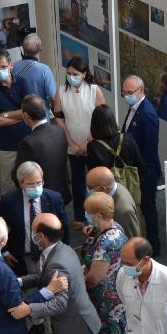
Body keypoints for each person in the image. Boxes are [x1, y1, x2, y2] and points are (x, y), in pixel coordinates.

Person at [80, 192, 131, 334]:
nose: (86, 215)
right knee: (109, 333)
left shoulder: (106, 242)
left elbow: (94, 277)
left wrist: (79, 285)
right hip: (114, 293)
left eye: (88, 212)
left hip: (108, 299)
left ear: (98, 215)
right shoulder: (114, 228)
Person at [0, 161, 70, 276]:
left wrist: (64, 252)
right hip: (20, 258)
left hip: (50, 256)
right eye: (30, 184)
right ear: (20, 183)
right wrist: (4, 252)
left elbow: (65, 226)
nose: (36, 187)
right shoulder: (8, 202)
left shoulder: (54, 198)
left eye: (39, 182)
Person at [54, 56, 104, 228]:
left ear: (84, 74)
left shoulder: (94, 90)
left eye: (75, 73)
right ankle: (79, 216)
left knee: (95, 181)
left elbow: (101, 119)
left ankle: (98, 214)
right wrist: (72, 143)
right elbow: (59, 118)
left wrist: (86, 144)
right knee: (77, 182)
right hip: (72, 145)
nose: (71, 76)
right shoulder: (61, 91)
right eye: (68, 73)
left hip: (92, 144)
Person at [121, 75, 161, 253]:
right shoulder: (134, 108)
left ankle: (154, 246)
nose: (126, 95)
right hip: (137, 170)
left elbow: (151, 148)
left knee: (148, 209)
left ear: (141, 91)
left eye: (130, 92)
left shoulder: (147, 114)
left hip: (146, 172)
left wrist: (144, 173)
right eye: (124, 92)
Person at [0, 49, 30, 193]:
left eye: (3, 67)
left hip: (27, 141)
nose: (0, 70)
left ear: (11, 65)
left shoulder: (22, 82)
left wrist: (5, 115)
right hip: (6, 146)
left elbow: (29, 111)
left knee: (30, 181)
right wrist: (21, 116)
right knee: (9, 186)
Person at [12, 95, 71, 205]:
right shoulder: (60, 131)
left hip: (43, 199)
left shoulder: (28, 143)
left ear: (26, 115)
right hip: (62, 194)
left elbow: (18, 174)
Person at [88, 103, 146, 203]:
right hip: (129, 193)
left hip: (107, 195)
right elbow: (141, 166)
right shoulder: (128, 138)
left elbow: (94, 177)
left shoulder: (93, 147)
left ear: (94, 124)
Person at [86, 166, 142, 239]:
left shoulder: (123, 210)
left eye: (90, 187)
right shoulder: (115, 187)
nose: (89, 190)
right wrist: (95, 228)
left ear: (103, 188)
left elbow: (131, 240)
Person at [13, 33, 57, 118]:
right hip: (41, 117)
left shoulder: (13, 67)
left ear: (23, 48)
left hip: (20, 117)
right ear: (41, 48)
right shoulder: (44, 69)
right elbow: (53, 97)